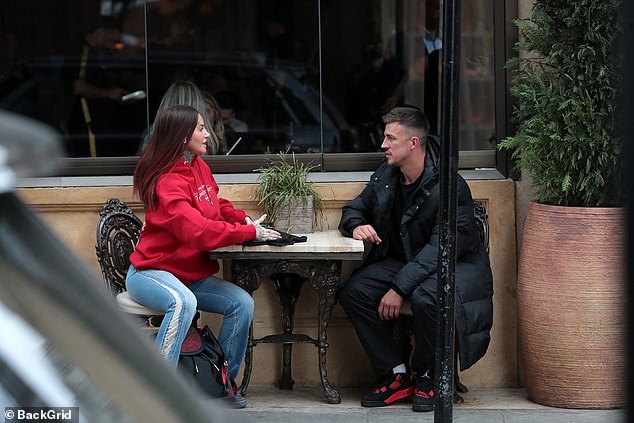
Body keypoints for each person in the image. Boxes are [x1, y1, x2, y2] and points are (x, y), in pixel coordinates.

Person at [337, 106, 493, 412]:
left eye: (390, 138)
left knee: (426, 298)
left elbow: (441, 249)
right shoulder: (387, 176)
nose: (383, 145)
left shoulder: (450, 187)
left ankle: (429, 375)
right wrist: (357, 225)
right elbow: (354, 208)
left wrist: (397, 289)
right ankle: (396, 375)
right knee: (353, 292)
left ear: (413, 143)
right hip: (408, 260)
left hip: (454, 266)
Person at [126, 104, 280, 408]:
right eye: (200, 128)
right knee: (183, 302)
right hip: (151, 273)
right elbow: (198, 231)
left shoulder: (198, 165)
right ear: (183, 136)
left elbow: (215, 203)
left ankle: (220, 383)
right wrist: (250, 234)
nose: (207, 134)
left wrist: (241, 220)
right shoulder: (167, 180)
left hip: (188, 275)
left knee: (241, 303)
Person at [138, 80, 220, 154]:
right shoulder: (205, 140)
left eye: (201, 128)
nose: (206, 134)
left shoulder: (153, 134)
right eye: (201, 129)